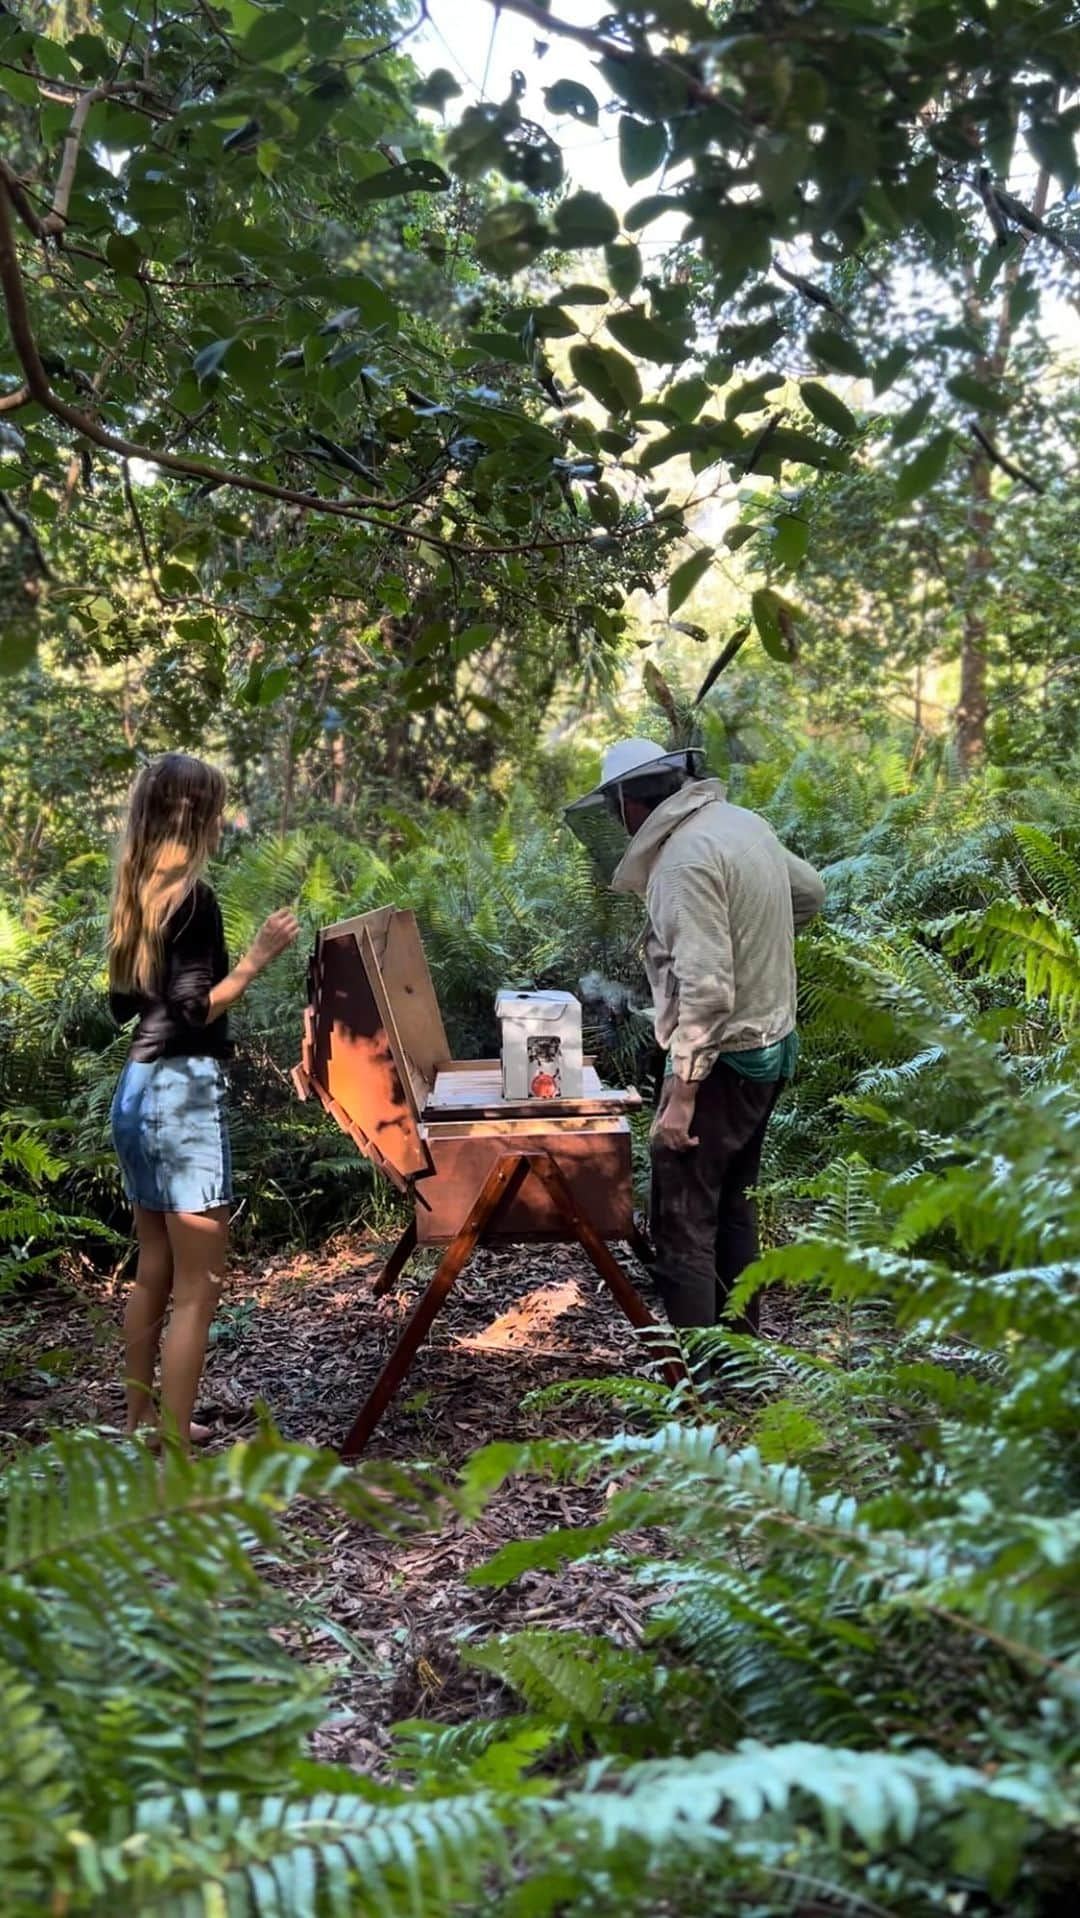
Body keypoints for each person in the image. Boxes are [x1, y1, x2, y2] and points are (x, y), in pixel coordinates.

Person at [565, 739, 824, 1336]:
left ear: (628, 803)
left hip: (723, 1061)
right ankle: (741, 1358)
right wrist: (759, 951)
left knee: (682, 1221)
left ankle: (697, 1385)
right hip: (773, 1045)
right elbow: (809, 895)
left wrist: (680, 1100)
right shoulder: (741, 823)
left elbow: (707, 995)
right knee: (732, 1204)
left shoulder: (682, 862)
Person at [107, 753, 299, 1447]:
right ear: (198, 814)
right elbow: (195, 1010)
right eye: (216, 808)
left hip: (135, 1090)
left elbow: (121, 1005)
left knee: (153, 1268)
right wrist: (256, 958)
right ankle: (174, 1449)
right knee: (199, 1287)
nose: (222, 821)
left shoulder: (136, 891)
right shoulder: (192, 896)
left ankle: (140, 1427)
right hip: (179, 1096)